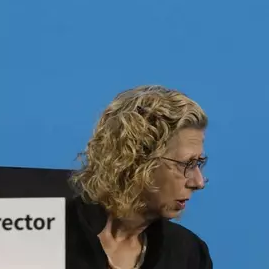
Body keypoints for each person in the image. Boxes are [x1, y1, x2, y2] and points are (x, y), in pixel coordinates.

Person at [66, 85, 213, 269]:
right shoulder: (48, 233)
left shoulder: (189, 254)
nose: (198, 182)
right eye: (185, 164)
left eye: (198, 163)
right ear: (136, 160)